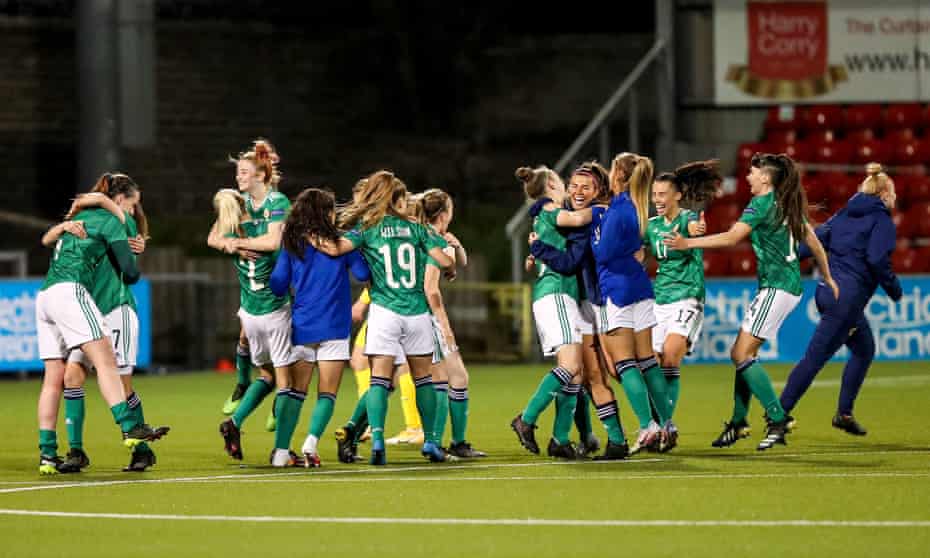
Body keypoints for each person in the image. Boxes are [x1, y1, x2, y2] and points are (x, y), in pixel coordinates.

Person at [665, 152, 838, 450]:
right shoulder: (787, 203)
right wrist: (827, 277)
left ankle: (778, 418)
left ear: (766, 178)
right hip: (785, 287)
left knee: (740, 354)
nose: (747, 177)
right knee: (745, 355)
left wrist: (687, 243)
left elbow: (732, 238)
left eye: (752, 172)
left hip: (777, 288)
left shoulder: (761, 204)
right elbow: (814, 243)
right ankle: (738, 422)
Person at [313, 170, 454, 465]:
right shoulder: (417, 228)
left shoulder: (368, 228)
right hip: (416, 312)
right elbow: (443, 259)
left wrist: (307, 234)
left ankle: (377, 440)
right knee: (424, 380)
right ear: (397, 199)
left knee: (378, 380)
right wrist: (451, 268)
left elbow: (335, 248)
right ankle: (430, 442)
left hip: (385, 312)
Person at [35, 173, 164, 474]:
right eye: (132, 205)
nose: (133, 212)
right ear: (121, 200)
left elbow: (129, 268)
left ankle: (141, 450)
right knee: (72, 376)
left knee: (121, 381)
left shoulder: (111, 222)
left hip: (115, 309)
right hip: (83, 306)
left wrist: (93, 204)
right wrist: (98, 204)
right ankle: (76, 451)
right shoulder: (107, 221)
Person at [778, 163, 901, 436]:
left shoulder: (844, 214)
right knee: (815, 358)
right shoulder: (881, 221)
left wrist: (788, 258)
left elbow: (816, 240)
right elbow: (877, 259)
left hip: (828, 293)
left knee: (864, 348)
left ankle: (844, 413)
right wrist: (894, 288)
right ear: (884, 194)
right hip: (846, 299)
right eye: (892, 192)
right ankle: (778, 413)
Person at [529, 161, 630, 459]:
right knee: (584, 375)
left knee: (599, 373)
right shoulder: (581, 215)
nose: (577, 191)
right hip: (586, 302)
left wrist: (539, 249)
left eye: (585, 187)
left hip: (598, 302)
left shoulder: (591, 218)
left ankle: (643, 429)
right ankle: (595, 438)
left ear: (599, 191)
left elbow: (570, 262)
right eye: (573, 185)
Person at [269, 188, 371, 467]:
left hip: (303, 326)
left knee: (295, 392)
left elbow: (277, 283)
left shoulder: (292, 244)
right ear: (326, 213)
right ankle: (310, 444)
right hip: (335, 326)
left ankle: (280, 452)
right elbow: (363, 275)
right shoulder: (339, 244)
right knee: (326, 393)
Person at [211, 189, 302, 467]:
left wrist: (231, 244)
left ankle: (234, 422)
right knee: (288, 382)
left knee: (267, 375)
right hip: (274, 311)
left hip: (250, 314)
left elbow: (213, 236)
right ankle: (282, 452)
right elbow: (277, 244)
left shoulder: (230, 236)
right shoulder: (264, 232)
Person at [592, 153, 673, 454]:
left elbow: (602, 253)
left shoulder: (617, 210)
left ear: (618, 176)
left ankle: (647, 426)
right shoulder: (639, 207)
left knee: (625, 363)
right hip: (640, 286)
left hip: (618, 289)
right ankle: (666, 423)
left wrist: (594, 232)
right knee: (647, 360)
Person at [510, 165, 589, 459]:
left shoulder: (541, 219)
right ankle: (526, 419)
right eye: (562, 182)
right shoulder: (552, 211)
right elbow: (581, 217)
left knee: (576, 373)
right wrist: (605, 208)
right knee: (569, 367)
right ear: (552, 185)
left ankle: (560, 439)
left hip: (558, 294)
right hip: (555, 295)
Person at [642, 161, 720, 447]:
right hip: (658, 300)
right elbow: (637, 252)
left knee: (672, 356)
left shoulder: (687, 218)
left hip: (687, 296)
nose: (657, 200)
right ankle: (657, 425)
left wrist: (696, 231)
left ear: (677, 195)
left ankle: (665, 426)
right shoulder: (650, 226)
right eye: (654, 195)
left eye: (662, 194)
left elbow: (695, 228)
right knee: (652, 363)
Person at [415, 188, 486, 458]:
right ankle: (434, 442)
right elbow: (431, 289)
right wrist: (444, 326)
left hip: (407, 313)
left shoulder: (424, 236)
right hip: (425, 315)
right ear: (445, 214)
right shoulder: (435, 242)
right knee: (439, 380)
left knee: (458, 377)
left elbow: (461, 262)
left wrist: (455, 245)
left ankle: (458, 442)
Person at [219, 139, 286, 419]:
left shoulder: (277, 202)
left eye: (243, 172)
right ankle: (243, 385)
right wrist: (232, 244)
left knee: (285, 368)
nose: (238, 177)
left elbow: (273, 242)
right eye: (237, 173)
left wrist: (245, 243)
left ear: (260, 174)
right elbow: (214, 236)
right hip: (251, 297)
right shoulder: (238, 203)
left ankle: (279, 406)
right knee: (256, 355)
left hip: (279, 295)